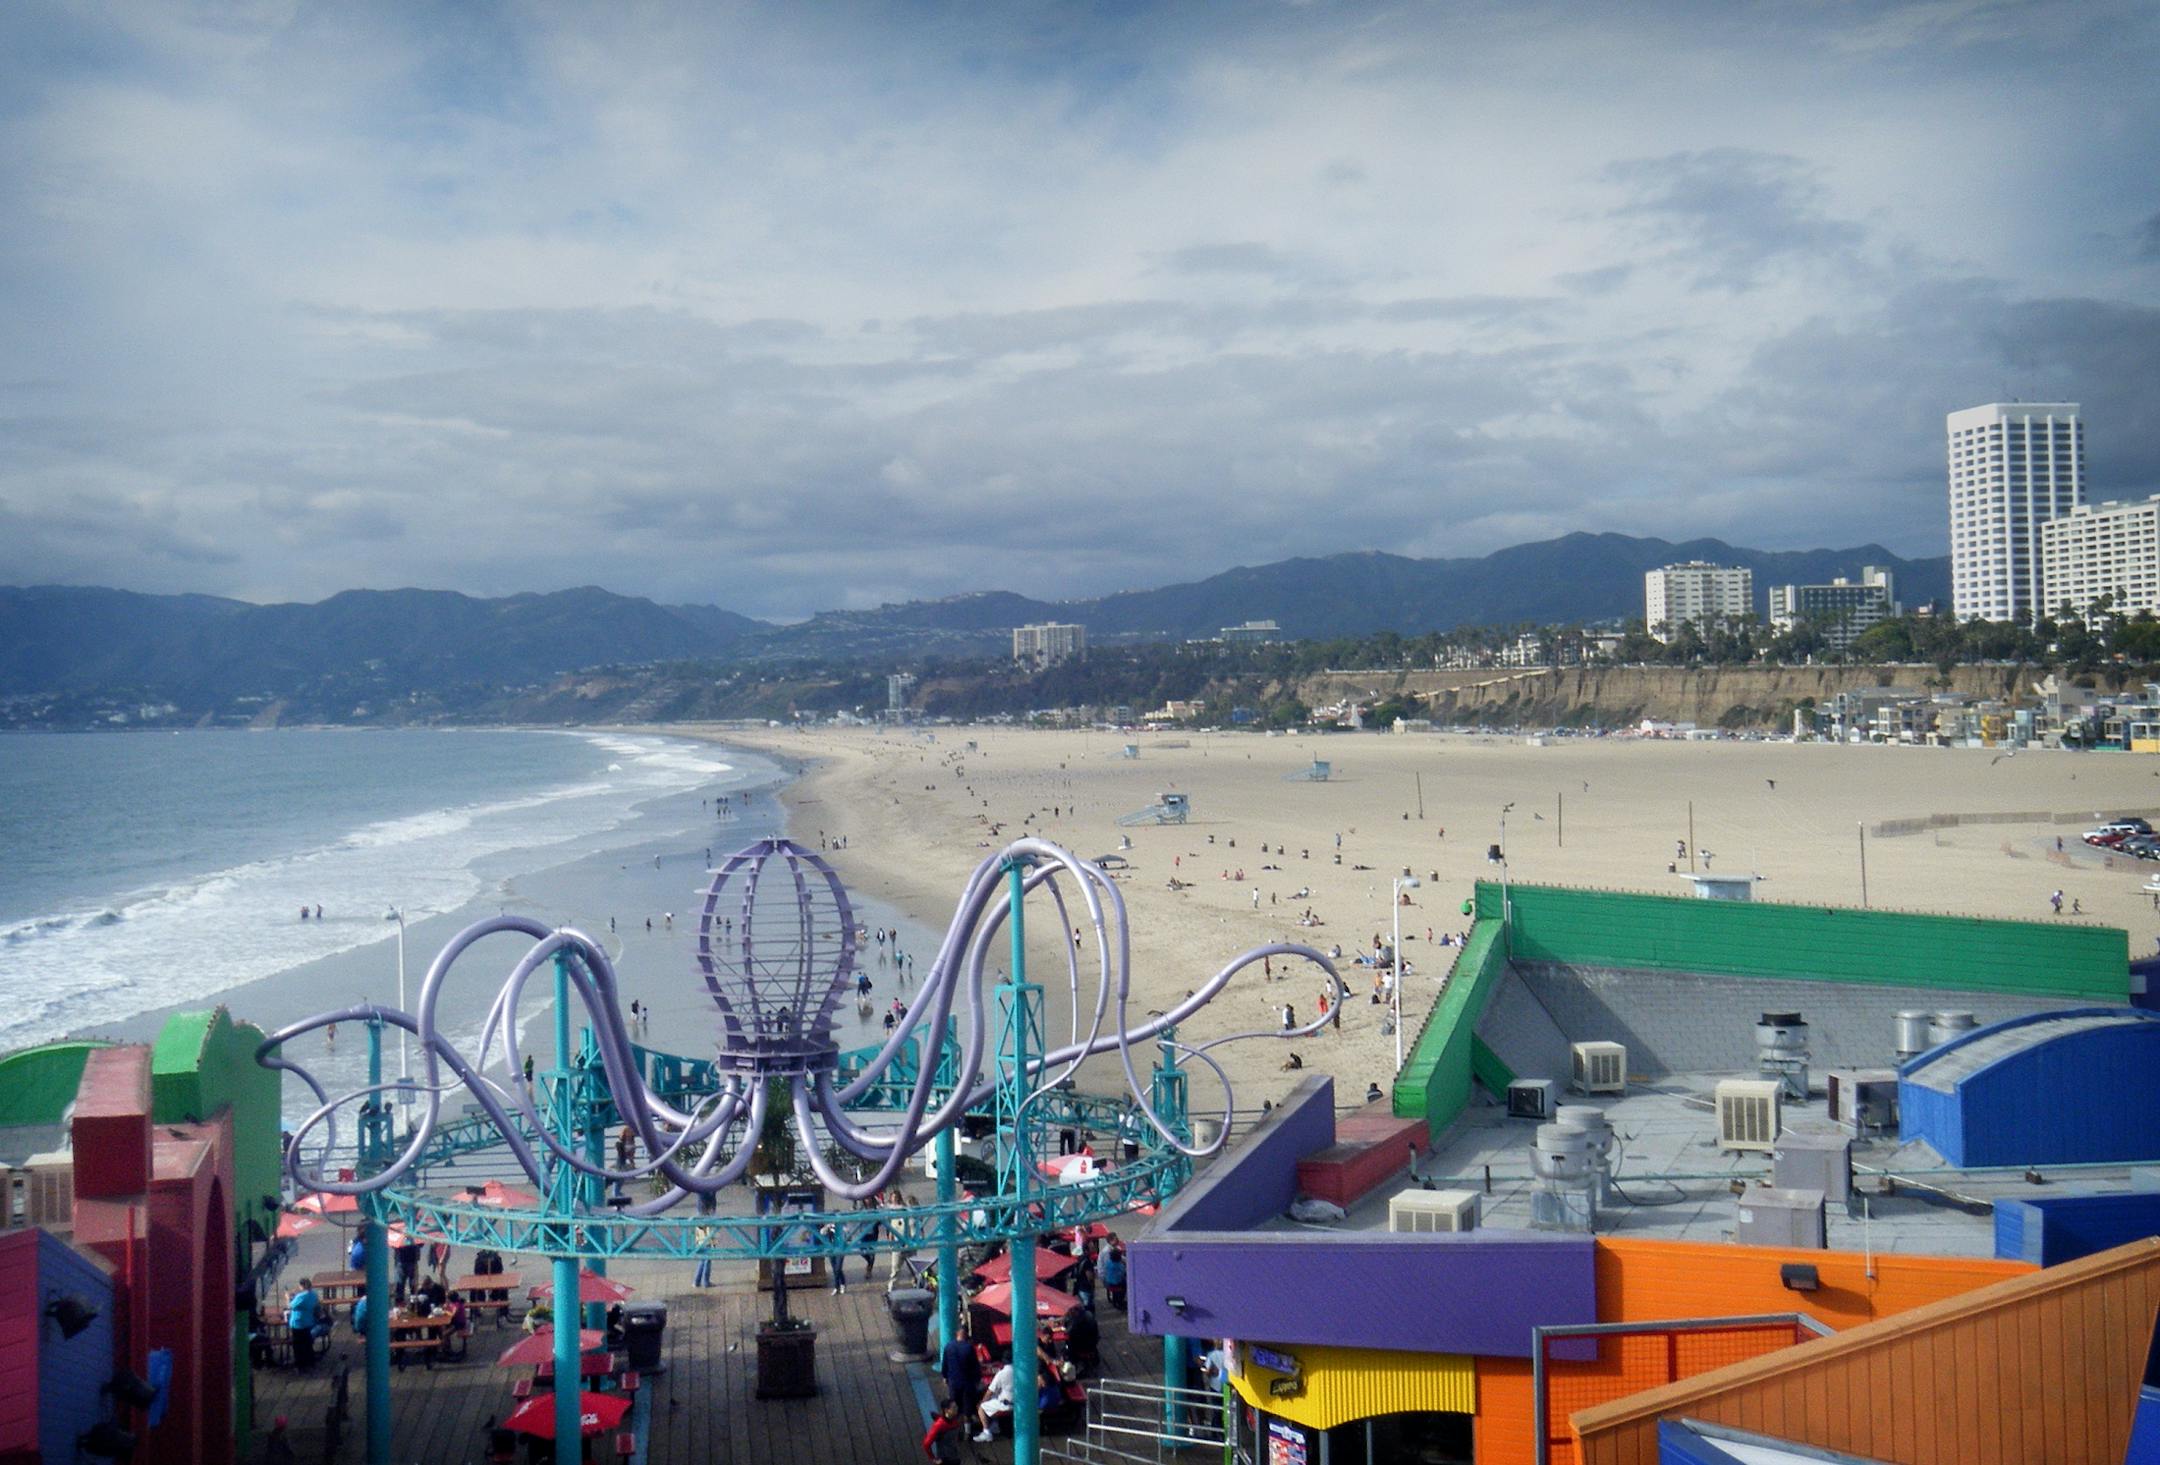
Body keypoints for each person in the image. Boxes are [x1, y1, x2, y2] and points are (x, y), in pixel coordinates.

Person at [939, 1320, 981, 1426]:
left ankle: (954, 1425)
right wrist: (977, 1379)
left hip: (953, 1381)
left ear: (956, 1333)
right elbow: (975, 1366)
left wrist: (944, 1376)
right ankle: (967, 1429)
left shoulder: (949, 1346)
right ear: (966, 1334)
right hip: (967, 1382)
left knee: (954, 1404)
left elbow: (945, 1364)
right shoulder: (969, 1348)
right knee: (967, 1405)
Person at [974, 1356, 1016, 1441]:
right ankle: (995, 1425)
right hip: (1018, 1404)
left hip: (1006, 1405)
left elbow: (990, 1391)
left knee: (981, 1407)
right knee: (994, 1399)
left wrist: (982, 1401)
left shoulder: (1002, 1373)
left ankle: (986, 1432)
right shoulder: (1019, 1371)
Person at [286, 1278, 322, 1370]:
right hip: (308, 1321)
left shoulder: (301, 1297)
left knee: (298, 1345)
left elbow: (290, 1306)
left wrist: (288, 1298)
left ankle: (300, 1364)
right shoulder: (313, 1295)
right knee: (307, 1342)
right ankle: (310, 1361)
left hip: (298, 1323)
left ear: (302, 1286)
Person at [1102, 1245, 1127, 1310]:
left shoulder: (1108, 1262)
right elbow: (1123, 1273)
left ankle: (1115, 1300)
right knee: (1125, 1284)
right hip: (1117, 1284)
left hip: (1108, 1282)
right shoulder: (1119, 1265)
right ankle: (1120, 1301)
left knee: (1115, 1288)